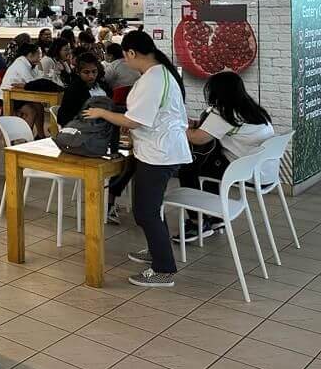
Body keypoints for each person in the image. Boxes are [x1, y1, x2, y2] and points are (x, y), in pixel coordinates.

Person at [83, 30, 190, 289]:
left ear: (131, 53)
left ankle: (163, 269)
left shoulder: (154, 78)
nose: (125, 61)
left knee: (145, 211)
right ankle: (156, 251)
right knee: (149, 208)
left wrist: (101, 113)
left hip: (159, 154)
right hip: (159, 149)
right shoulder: (159, 73)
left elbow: (134, 121)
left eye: (126, 56)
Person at [175, 71, 274, 242]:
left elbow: (197, 138)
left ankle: (198, 223)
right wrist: (198, 124)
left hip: (247, 172)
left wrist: (177, 125)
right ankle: (216, 217)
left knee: (188, 170)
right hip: (265, 171)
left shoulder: (224, 113)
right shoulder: (250, 109)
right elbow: (222, 129)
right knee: (211, 162)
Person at [57, 52, 108, 127]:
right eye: (86, 72)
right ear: (78, 72)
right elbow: (66, 117)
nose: (91, 76)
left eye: (94, 71)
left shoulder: (103, 86)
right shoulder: (73, 90)